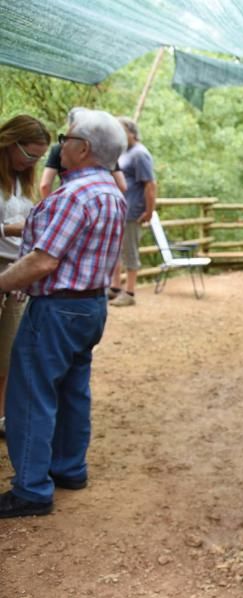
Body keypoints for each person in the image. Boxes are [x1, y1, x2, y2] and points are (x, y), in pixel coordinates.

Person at [0, 109, 127, 519]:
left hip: (57, 307)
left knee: (33, 393)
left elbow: (42, 262)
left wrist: (2, 283)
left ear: (83, 148)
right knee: (74, 390)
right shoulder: (111, 192)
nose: (60, 145)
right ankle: (69, 468)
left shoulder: (75, 194)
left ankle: (32, 489)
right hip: (91, 305)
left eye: (65, 138)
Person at [0, 115, 51, 439]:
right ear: (10, 142)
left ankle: (2, 416)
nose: (31, 162)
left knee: (8, 353)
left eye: (38, 158)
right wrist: (13, 228)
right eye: (29, 154)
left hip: (15, 272)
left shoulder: (22, 181)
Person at [108, 116, 156, 307]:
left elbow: (150, 185)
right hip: (119, 210)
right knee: (115, 250)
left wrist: (149, 211)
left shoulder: (140, 154)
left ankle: (129, 292)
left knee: (130, 250)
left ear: (131, 132)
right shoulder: (122, 152)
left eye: (121, 130)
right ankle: (115, 287)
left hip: (132, 210)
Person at [39, 107, 126, 199]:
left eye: (67, 139)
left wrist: (51, 205)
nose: (64, 144)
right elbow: (122, 185)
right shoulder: (105, 152)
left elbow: (45, 185)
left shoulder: (58, 149)